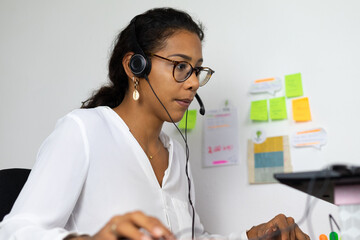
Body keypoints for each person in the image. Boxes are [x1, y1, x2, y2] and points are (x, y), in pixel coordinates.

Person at [0, 7, 309, 240]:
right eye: (180, 66)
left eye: (197, 70)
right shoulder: (83, 130)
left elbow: (192, 237)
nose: (193, 84)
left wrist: (249, 238)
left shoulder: (176, 153)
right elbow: (16, 229)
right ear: (136, 66)